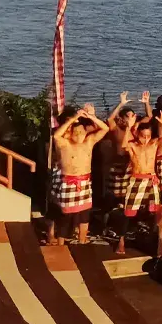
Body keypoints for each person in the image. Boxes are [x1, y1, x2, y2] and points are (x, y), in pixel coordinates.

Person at [51, 105, 109, 245]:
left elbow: (105, 129)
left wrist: (90, 117)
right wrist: (75, 118)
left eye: (81, 132)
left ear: (85, 133)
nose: (78, 135)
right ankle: (60, 245)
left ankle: (82, 241)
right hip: (68, 183)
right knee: (65, 217)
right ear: (71, 133)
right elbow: (56, 135)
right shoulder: (64, 144)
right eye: (75, 133)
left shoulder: (89, 142)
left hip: (84, 183)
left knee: (84, 216)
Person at [115, 119, 161, 254]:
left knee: (155, 211)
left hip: (151, 179)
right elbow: (123, 146)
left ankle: (154, 238)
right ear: (138, 135)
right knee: (128, 211)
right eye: (143, 136)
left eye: (148, 136)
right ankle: (121, 241)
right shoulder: (133, 145)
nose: (145, 139)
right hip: (137, 179)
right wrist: (129, 128)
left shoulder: (154, 143)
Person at [105, 91, 148, 208]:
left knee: (128, 192)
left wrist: (146, 103)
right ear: (122, 118)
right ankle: (109, 213)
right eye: (128, 116)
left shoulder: (135, 129)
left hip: (130, 162)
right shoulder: (117, 130)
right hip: (118, 161)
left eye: (132, 116)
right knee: (114, 192)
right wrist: (121, 103)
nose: (130, 118)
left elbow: (149, 117)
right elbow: (110, 119)